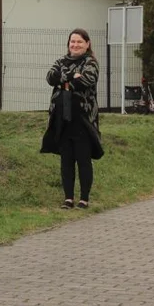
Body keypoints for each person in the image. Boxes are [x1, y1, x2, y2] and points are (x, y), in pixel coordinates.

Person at [40, 29, 103, 209]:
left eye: (79, 42)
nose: (75, 45)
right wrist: (69, 77)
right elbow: (50, 77)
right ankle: (68, 198)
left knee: (83, 159)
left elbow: (86, 80)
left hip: (82, 119)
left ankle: (84, 198)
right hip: (62, 117)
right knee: (66, 160)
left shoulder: (91, 62)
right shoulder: (61, 60)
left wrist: (65, 80)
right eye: (72, 42)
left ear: (87, 44)